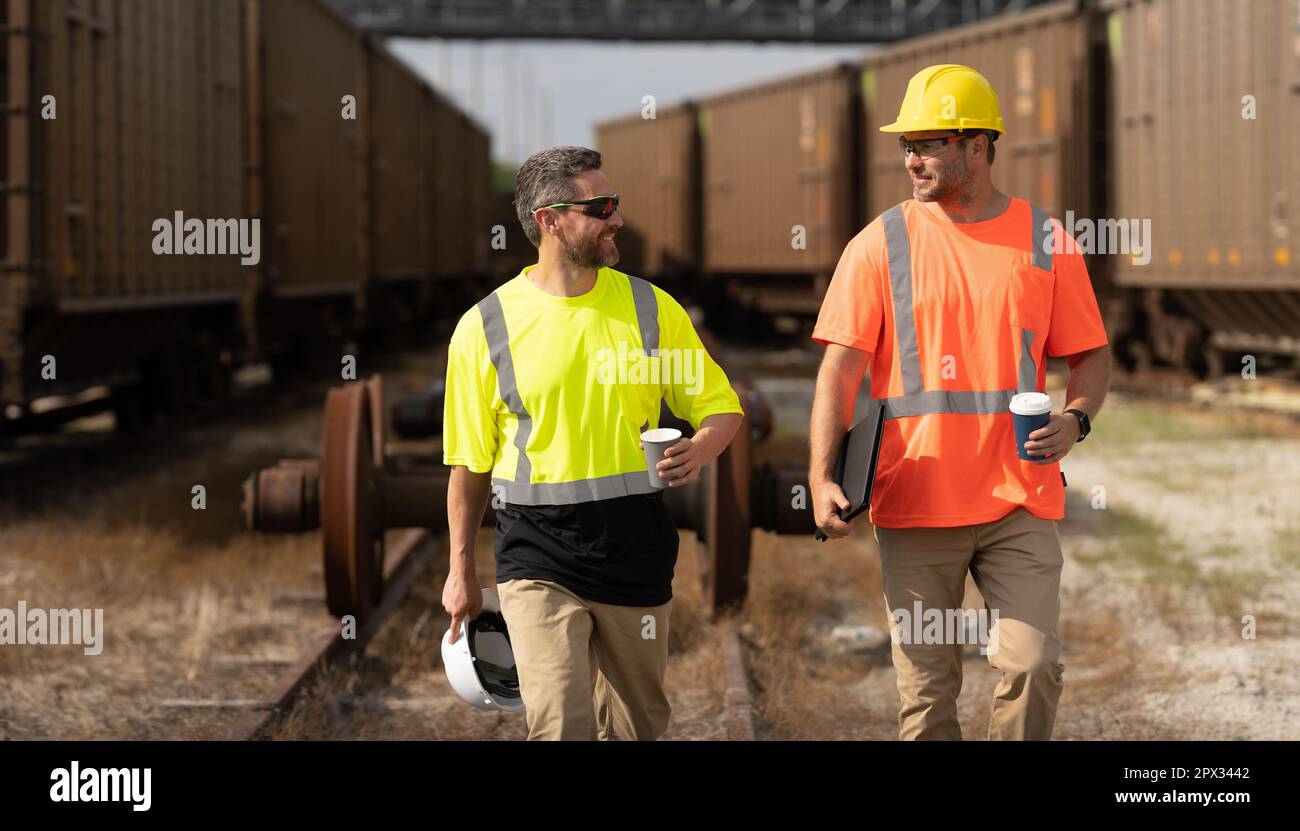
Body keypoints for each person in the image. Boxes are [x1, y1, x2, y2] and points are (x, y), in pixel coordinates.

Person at [809, 64, 1112, 740]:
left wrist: (1076, 416)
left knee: (1033, 663)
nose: (911, 159)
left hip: (1018, 499)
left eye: (927, 143)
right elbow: (839, 371)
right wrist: (821, 475)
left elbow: (1091, 351)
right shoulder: (880, 245)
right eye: (905, 145)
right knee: (927, 700)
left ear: (977, 145)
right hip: (916, 505)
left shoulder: (1045, 239)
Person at [441, 146, 744, 740]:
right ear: (550, 220)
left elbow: (720, 406)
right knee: (559, 722)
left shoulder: (649, 309)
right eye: (602, 207)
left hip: (636, 547)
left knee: (639, 726)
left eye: (616, 205)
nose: (618, 220)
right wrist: (459, 570)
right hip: (535, 552)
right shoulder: (485, 327)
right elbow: (470, 465)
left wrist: (704, 446)